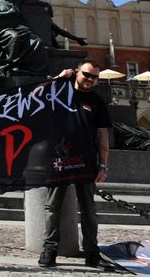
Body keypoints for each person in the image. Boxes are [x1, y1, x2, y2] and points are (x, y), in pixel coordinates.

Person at [38, 60, 116, 270]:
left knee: (88, 208)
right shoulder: (59, 91)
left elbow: (102, 134)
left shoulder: (97, 102)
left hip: (87, 161)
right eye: (86, 75)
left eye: (95, 77)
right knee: (52, 207)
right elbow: (37, 96)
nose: (90, 80)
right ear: (76, 73)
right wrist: (58, 77)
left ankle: (91, 253)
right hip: (59, 159)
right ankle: (50, 250)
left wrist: (104, 165)